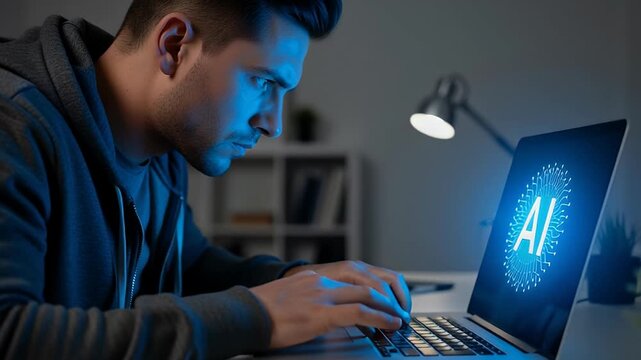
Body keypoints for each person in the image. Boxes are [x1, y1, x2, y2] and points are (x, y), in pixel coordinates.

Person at [0, 0, 411, 358]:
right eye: (263, 81)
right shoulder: (13, 127)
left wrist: (299, 283)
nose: (273, 123)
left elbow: (191, 264)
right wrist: (258, 316)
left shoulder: (164, 145)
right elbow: (11, 333)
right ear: (174, 46)